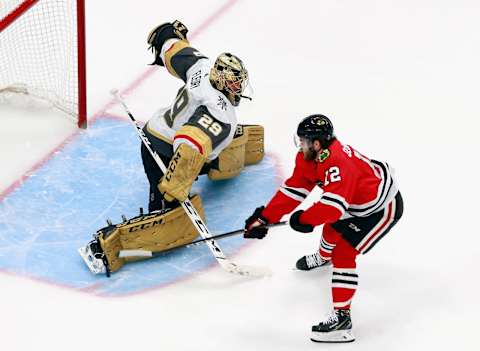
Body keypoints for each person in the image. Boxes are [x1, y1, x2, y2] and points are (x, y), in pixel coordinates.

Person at [78, 20, 264, 275]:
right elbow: (190, 144)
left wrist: (166, 35)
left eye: (238, 83)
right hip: (163, 153)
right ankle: (106, 248)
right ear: (221, 81)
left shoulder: (202, 67)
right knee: (170, 218)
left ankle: (221, 160)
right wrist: (175, 184)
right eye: (233, 84)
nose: (238, 89)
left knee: (218, 145)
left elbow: (174, 50)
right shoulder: (221, 114)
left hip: (161, 130)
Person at [244, 114, 403, 343]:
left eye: (304, 141)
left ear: (317, 143)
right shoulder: (310, 156)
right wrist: (265, 217)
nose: (300, 145)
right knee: (330, 229)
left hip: (379, 209)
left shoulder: (338, 162)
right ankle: (322, 258)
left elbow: (332, 209)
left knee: (344, 253)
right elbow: (295, 189)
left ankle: (342, 320)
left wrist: (304, 219)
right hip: (352, 202)